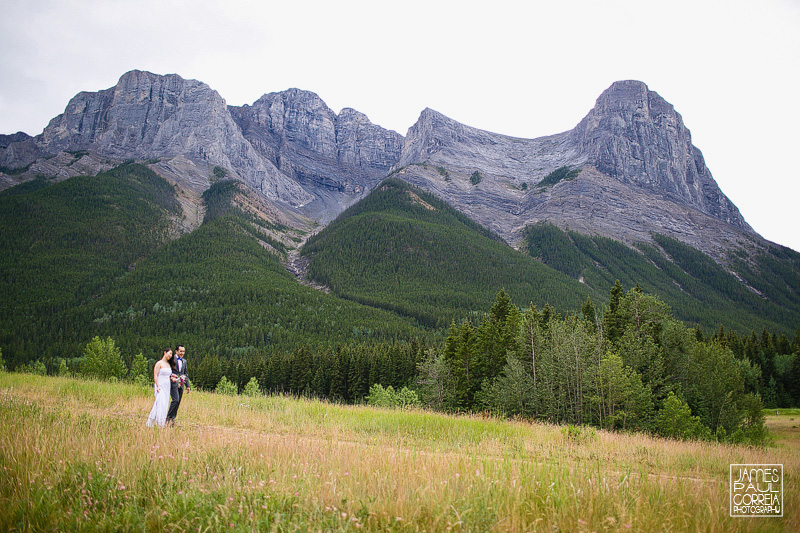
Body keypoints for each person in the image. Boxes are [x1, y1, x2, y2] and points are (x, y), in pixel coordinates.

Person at [146, 349, 177, 427]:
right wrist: (157, 386)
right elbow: (155, 375)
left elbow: (168, 375)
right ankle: (155, 422)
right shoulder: (159, 363)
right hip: (160, 385)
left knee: (165, 403)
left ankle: (161, 422)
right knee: (160, 402)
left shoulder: (168, 364)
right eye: (169, 353)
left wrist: (173, 377)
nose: (170, 355)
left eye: (171, 354)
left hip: (167, 386)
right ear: (165, 353)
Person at [166, 344, 189, 425]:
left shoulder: (184, 361)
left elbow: (186, 374)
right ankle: (167, 417)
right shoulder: (172, 359)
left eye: (183, 351)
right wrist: (170, 377)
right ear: (176, 351)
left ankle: (172, 419)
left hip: (181, 383)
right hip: (173, 383)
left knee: (178, 401)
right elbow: (167, 370)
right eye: (181, 351)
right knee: (175, 400)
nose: (182, 353)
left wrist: (188, 386)